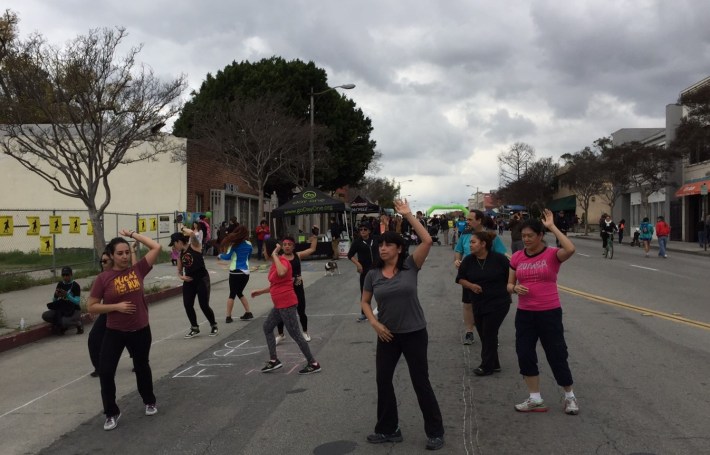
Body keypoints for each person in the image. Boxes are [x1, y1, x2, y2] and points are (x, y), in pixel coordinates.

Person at [361, 198, 445, 451]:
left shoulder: (411, 266)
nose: (383, 248)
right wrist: (374, 324)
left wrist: (408, 215)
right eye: (381, 245)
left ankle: (435, 432)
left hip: (414, 333)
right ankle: (389, 429)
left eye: (388, 245)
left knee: (421, 381)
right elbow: (365, 302)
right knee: (383, 381)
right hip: (387, 335)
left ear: (398, 249)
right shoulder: (373, 274)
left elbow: (427, 241)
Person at [88, 229, 161, 431]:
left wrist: (134, 235)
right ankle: (111, 412)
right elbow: (91, 306)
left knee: (141, 366)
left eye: (127, 252)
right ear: (111, 256)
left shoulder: (137, 270)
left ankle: (149, 401)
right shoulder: (103, 279)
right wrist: (115, 307)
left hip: (140, 329)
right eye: (119, 253)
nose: (124, 256)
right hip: (115, 331)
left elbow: (156, 247)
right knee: (106, 371)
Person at [507, 209, 578, 415]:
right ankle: (535, 398)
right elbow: (509, 284)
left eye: (530, 235)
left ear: (540, 236)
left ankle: (569, 396)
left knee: (556, 354)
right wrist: (514, 288)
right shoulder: (517, 257)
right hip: (525, 314)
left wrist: (552, 226)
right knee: (525, 353)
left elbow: (571, 249)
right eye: (523, 236)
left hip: (549, 312)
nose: (526, 239)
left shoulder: (551, 255)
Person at [251, 238, 321, 375]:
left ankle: (313, 363)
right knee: (267, 327)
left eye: (265, 249)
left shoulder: (282, 261)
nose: (263, 251)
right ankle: (274, 360)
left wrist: (275, 254)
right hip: (279, 305)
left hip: (287, 304)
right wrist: (260, 292)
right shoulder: (276, 263)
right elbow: (276, 284)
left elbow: (282, 273)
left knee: (296, 335)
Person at [456, 231, 511, 376]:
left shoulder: (500, 259)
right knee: (484, 333)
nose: (470, 245)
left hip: (499, 302)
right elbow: (460, 278)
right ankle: (495, 363)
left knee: (489, 332)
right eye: (470, 242)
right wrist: (471, 286)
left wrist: (511, 288)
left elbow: (511, 277)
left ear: (483, 244)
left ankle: (486, 366)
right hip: (478, 302)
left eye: (473, 242)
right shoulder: (468, 260)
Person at [454, 210, 507, 345]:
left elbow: (501, 255)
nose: (467, 221)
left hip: (488, 275)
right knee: (468, 303)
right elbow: (458, 250)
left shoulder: (491, 236)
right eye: (467, 219)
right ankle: (469, 332)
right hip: (469, 273)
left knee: (489, 306)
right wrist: (457, 260)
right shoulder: (465, 234)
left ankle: (491, 334)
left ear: (479, 221)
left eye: (470, 219)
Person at [88, 246, 137, 377]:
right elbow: (94, 299)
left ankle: (138, 362)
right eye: (101, 262)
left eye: (105, 261)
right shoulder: (102, 278)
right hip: (108, 312)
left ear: (112, 261)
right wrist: (93, 308)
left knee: (129, 340)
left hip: (123, 312)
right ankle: (98, 367)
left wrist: (132, 251)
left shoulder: (123, 274)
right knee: (94, 338)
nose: (103, 264)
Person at [171, 227, 218, 338]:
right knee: (187, 304)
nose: (173, 247)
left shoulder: (195, 246)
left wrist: (182, 227)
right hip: (189, 281)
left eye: (174, 244)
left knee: (204, 305)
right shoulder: (180, 253)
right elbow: (178, 270)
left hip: (201, 278)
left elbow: (192, 233)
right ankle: (194, 327)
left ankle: (213, 325)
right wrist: (181, 277)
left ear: (179, 241)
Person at [275, 234, 318, 343]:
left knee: (301, 311)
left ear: (293, 246)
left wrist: (315, 238)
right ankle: (281, 334)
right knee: (281, 312)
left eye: (289, 244)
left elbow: (312, 249)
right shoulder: (279, 259)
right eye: (285, 245)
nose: (287, 246)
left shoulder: (298, 255)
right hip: (285, 289)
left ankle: (305, 331)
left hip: (298, 288)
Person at [218, 225, 254, 323]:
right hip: (246, 273)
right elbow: (249, 257)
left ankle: (228, 317)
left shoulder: (233, 245)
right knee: (239, 292)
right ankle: (248, 312)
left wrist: (220, 255)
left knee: (232, 294)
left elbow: (227, 257)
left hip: (235, 272)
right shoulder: (249, 244)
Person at [348, 222, 380, 322]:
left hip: (377, 268)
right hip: (364, 270)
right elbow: (350, 255)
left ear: (369, 231)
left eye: (365, 229)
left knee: (380, 290)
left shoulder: (375, 239)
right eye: (361, 229)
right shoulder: (357, 242)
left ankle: (384, 311)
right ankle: (364, 313)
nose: (362, 231)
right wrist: (358, 264)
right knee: (365, 291)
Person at [42, 266, 83, 335]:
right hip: (62, 308)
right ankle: (62, 325)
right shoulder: (60, 284)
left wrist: (67, 295)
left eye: (67, 275)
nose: (65, 277)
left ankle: (78, 323)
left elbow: (77, 301)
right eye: (63, 275)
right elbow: (54, 301)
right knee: (45, 315)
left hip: (73, 310)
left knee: (63, 322)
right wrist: (56, 296)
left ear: (71, 275)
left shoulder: (75, 285)